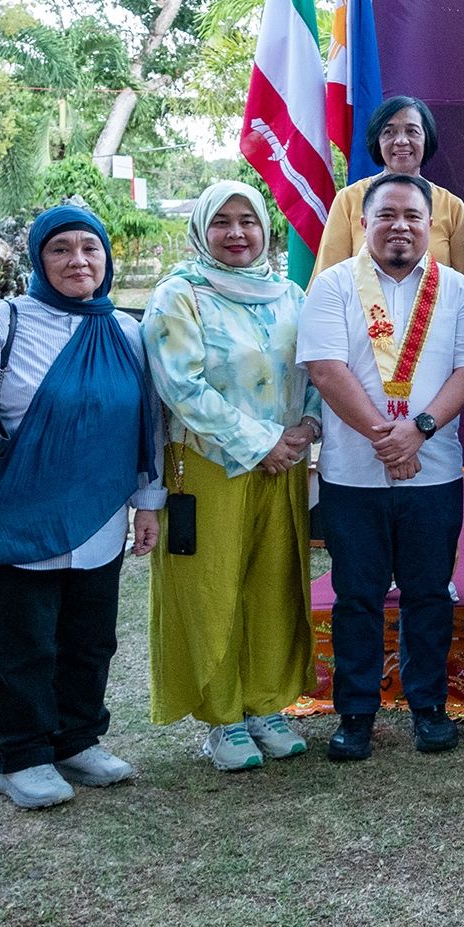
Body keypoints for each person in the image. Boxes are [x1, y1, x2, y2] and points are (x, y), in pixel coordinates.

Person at [0, 204, 164, 809]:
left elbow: (148, 423)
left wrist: (148, 503)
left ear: (106, 258)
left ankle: (77, 740)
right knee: (22, 641)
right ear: (38, 258)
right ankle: (22, 755)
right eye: (60, 250)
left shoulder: (128, 333)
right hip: (17, 512)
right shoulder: (2, 322)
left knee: (90, 637)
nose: (77, 260)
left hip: (101, 515)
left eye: (90, 248)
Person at [298, 174, 464, 763]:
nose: (400, 226)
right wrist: (387, 438)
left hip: (434, 472)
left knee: (429, 592)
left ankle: (429, 707)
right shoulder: (330, 287)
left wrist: (418, 432)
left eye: (412, 217)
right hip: (354, 474)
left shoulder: (458, 292)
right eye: (387, 216)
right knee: (357, 594)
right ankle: (355, 714)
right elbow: (326, 369)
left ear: (431, 226)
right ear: (363, 223)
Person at [142, 182, 321, 771]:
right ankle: (221, 719)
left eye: (249, 220)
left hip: (283, 466)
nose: (238, 233)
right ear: (201, 228)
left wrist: (307, 430)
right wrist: (263, 441)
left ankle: (264, 704)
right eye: (223, 222)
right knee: (211, 587)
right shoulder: (179, 296)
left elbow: (318, 371)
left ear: (266, 229)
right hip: (208, 466)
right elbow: (181, 387)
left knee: (274, 582)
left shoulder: (289, 293)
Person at [315, 96, 464, 280]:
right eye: (389, 132)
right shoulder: (348, 200)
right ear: (377, 140)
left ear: (427, 138)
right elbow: (327, 280)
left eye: (412, 131)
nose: (401, 141)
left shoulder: (451, 207)